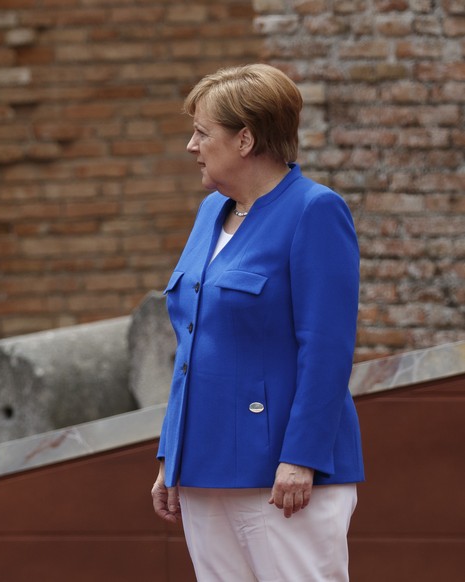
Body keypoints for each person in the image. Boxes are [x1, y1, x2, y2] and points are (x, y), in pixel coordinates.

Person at [150, 64, 364, 581]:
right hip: (203, 465)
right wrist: (170, 456)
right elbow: (194, 342)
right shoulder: (210, 213)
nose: (191, 145)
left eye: (203, 132)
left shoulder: (315, 210)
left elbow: (327, 348)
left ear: (245, 138)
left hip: (282, 473)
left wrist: (302, 457)